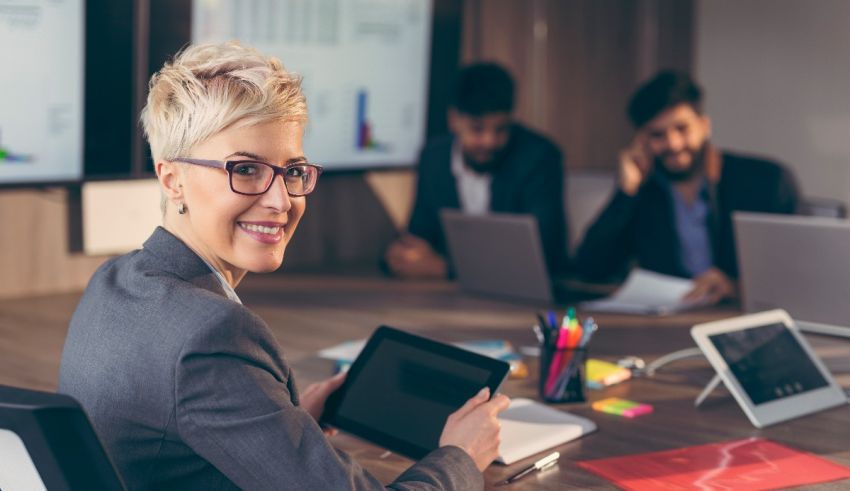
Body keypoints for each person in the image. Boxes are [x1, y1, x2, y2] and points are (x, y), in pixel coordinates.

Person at [58, 42, 509, 490]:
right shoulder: (213, 334)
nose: (281, 200)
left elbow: (177, 441)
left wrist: (281, 424)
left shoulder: (113, 281)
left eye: (293, 171)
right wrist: (461, 457)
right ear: (173, 180)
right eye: (246, 170)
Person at [575, 70, 800, 304]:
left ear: (704, 126)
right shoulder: (643, 190)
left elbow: (796, 273)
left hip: (740, 313)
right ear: (641, 140)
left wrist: (736, 286)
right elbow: (591, 267)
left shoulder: (765, 181)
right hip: (669, 320)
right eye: (657, 134)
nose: (673, 144)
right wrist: (626, 191)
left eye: (682, 129)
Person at [385, 63, 568, 279]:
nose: (490, 141)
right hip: (449, 297)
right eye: (477, 129)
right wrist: (402, 255)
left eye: (501, 129)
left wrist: (447, 269)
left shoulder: (539, 157)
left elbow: (544, 253)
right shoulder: (433, 158)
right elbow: (421, 233)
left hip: (522, 297)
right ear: (454, 120)